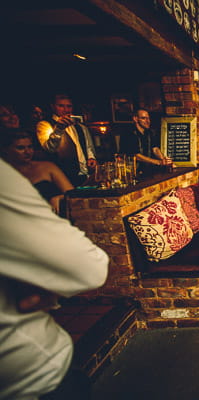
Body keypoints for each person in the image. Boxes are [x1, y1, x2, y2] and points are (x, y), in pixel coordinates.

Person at [0, 158, 109, 399]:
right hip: (32, 377)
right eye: (20, 148)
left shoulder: (39, 171)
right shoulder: (6, 181)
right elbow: (89, 266)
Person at [0, 129, 73, 215]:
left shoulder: (47, 167)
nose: (28, 152)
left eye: (30, 147)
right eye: (21, 148)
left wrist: (59, 198)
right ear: (6, 150)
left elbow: (72, 193)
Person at [36, 94, 97, 186]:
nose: (65, 109)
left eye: (69, 106)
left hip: (85, 176)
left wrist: (91, 158)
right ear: (53, 107)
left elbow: (89, 147)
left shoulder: (81, 127)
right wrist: (59, 129)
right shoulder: (45, 124)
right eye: (61, 106)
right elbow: (49, 148)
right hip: (63, 176)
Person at [119, 108, 173, 174]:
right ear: (135, 119)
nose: (148, 121)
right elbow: (136, 156)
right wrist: (158, 162)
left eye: (148, 118)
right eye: (144, 118)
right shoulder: (128, 133)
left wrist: (164, 160)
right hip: (131, 172)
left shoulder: (149, 132)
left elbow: (155, 149)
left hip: (147, 170)